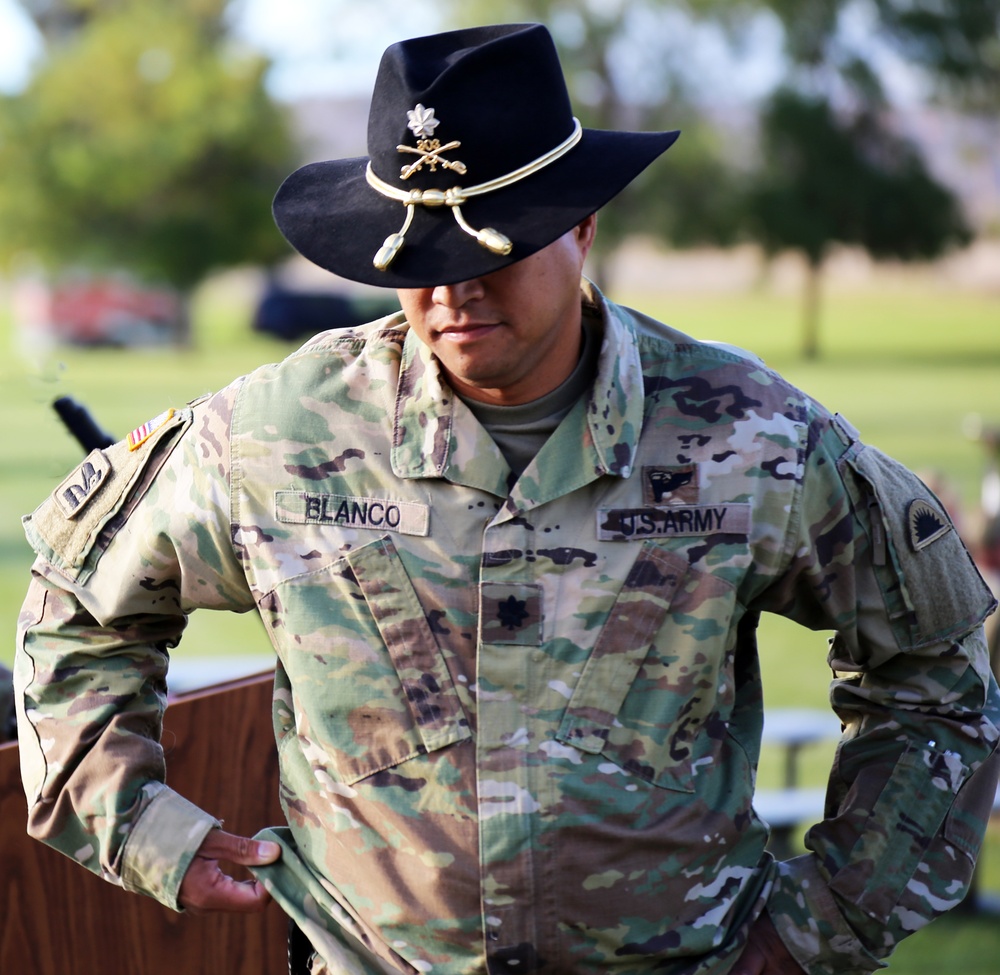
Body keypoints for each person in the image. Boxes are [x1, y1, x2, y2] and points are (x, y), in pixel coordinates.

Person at [13, 22, 1000, 975]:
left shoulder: (751, 437)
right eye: (420, 262)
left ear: (582, 224)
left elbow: (935, 667)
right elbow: (76, 603)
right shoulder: (278, 436)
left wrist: (822, 924)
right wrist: (141, 824)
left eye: (489, 255)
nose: (453, 295)